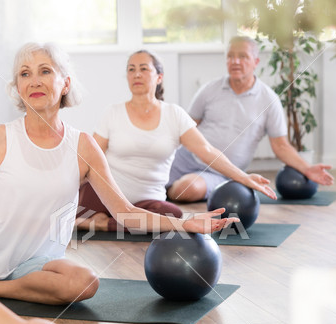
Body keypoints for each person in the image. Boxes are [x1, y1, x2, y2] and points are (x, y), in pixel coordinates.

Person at [0, 42, 234, 307]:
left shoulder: (83, 146)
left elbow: (126, 213)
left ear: (65, 83)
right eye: (25, 74)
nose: (34, 81)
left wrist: (185, 222)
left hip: (36, 264)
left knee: (84, 283)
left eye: (45, 71)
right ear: (18, 87)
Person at [76, 49, 276, 232]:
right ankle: (108, 219)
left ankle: (101, 223)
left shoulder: (174, 114)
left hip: (148, 201)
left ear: (159, 77)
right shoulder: (112, 113)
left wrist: (244, 177)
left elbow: (207, 151)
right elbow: (90, 158)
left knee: (174, 216)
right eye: (131, 69)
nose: (137, 74)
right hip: (107, 197)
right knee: (157, 221)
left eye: (144, 69)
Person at [167, 36, 334, 202]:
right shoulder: (209, 89)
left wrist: (307, 168)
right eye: (230, 56)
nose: (235, 61)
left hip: (221, 172)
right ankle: (156, 193)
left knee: (188, 189)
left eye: (243, 56)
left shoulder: (269, 99)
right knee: (143, 176)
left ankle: (161, 194)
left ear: (256, 61)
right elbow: (185, 129)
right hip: (184, 158)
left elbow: (281, 146)